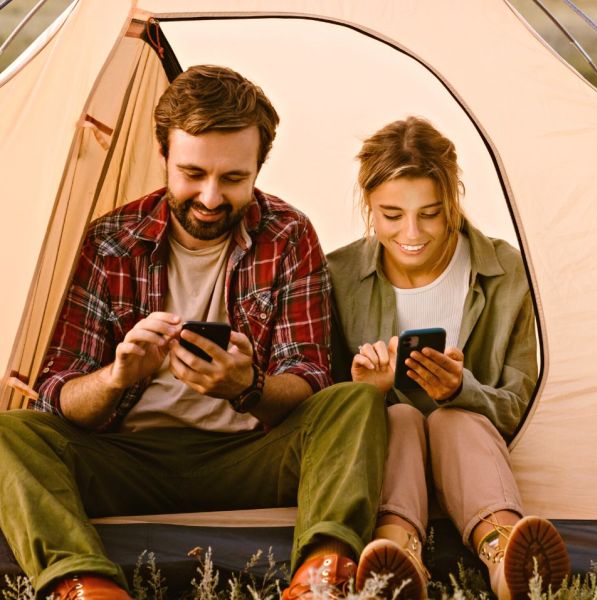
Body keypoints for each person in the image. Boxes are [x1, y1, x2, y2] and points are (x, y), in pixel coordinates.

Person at [0, 65, 386, 600]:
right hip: (127, 458)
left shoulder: (288, 235)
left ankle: (321, 576)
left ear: (258, 167)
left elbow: (311, 379)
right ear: (164, 156)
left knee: (353, 404)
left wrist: (246, 387)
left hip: (247, 457)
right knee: (7, 434)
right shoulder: (112, 239)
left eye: (233, 179)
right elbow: (57, 394)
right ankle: (84, 585)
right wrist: (115, 377)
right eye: (193, 173)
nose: (209, 197)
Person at [328, 117, 570, 600]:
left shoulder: (504, 271)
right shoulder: (338, 274)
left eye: (431, 213)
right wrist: (363, 394)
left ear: (454, 200)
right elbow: (319, 412)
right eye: (391, 215)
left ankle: (507, 559)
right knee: (398, 415)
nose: (411, 233)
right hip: (388, 453)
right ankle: (398, 552)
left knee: (451, 420)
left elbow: (519, 403)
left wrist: (462, 391)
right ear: (368, 206)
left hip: (475, 452)